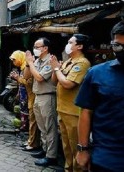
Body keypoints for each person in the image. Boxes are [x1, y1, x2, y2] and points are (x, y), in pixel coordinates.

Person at [75, 21, 124, 171]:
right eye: (118, 45)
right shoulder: (97, 73)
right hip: (105, 157)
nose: (123, 50)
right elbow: (86, 112)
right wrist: (82, 149)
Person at [49, 34, 91, 172]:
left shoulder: (82, 63)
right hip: (62, 109)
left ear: (79, 46)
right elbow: (55, 81)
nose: (67, 44)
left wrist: (56, 69)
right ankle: (68, 169)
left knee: (75, 147)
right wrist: (55, 68)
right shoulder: (68, 61)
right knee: (66, 146)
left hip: (73, 112)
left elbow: (67, 83)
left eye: (70, 42)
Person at [24, 37, 58, 167]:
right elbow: (27, 76)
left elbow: (39, 77)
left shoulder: (50, 61)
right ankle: (45, 150)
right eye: (34, 46)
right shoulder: (37, 61)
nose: (35, 49)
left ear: (45, 48)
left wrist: (31, 64)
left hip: (47, 96)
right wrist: (28, 63)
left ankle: (51, 156)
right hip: (37, 96)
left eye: (37, 47)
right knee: (42, 127)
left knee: (50, 127)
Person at [9, 50, 40, 151]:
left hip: (31, 96)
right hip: (27, 96)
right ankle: (31, 141)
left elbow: (28, 82)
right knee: (31, 120)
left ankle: (33, 142)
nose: (14, 62)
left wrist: (17, 78)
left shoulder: (29, 67)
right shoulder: (24, 67)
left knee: (33, 121)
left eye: (14, 60)